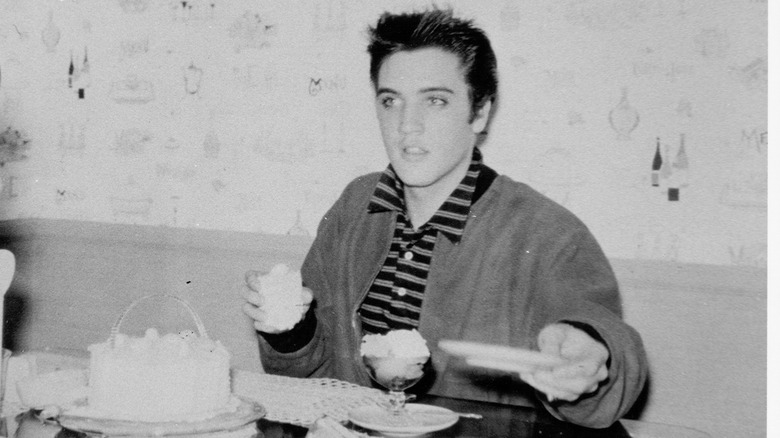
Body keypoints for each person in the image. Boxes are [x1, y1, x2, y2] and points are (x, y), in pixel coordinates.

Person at [242, 7, 648, 428]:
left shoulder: (545, 231)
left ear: (480, 113)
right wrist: (288, 330)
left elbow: (605, 370)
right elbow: (305, 378)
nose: (407, 126)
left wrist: (592, 357)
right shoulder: (356, 206)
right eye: (390, 101)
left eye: (435, 100)